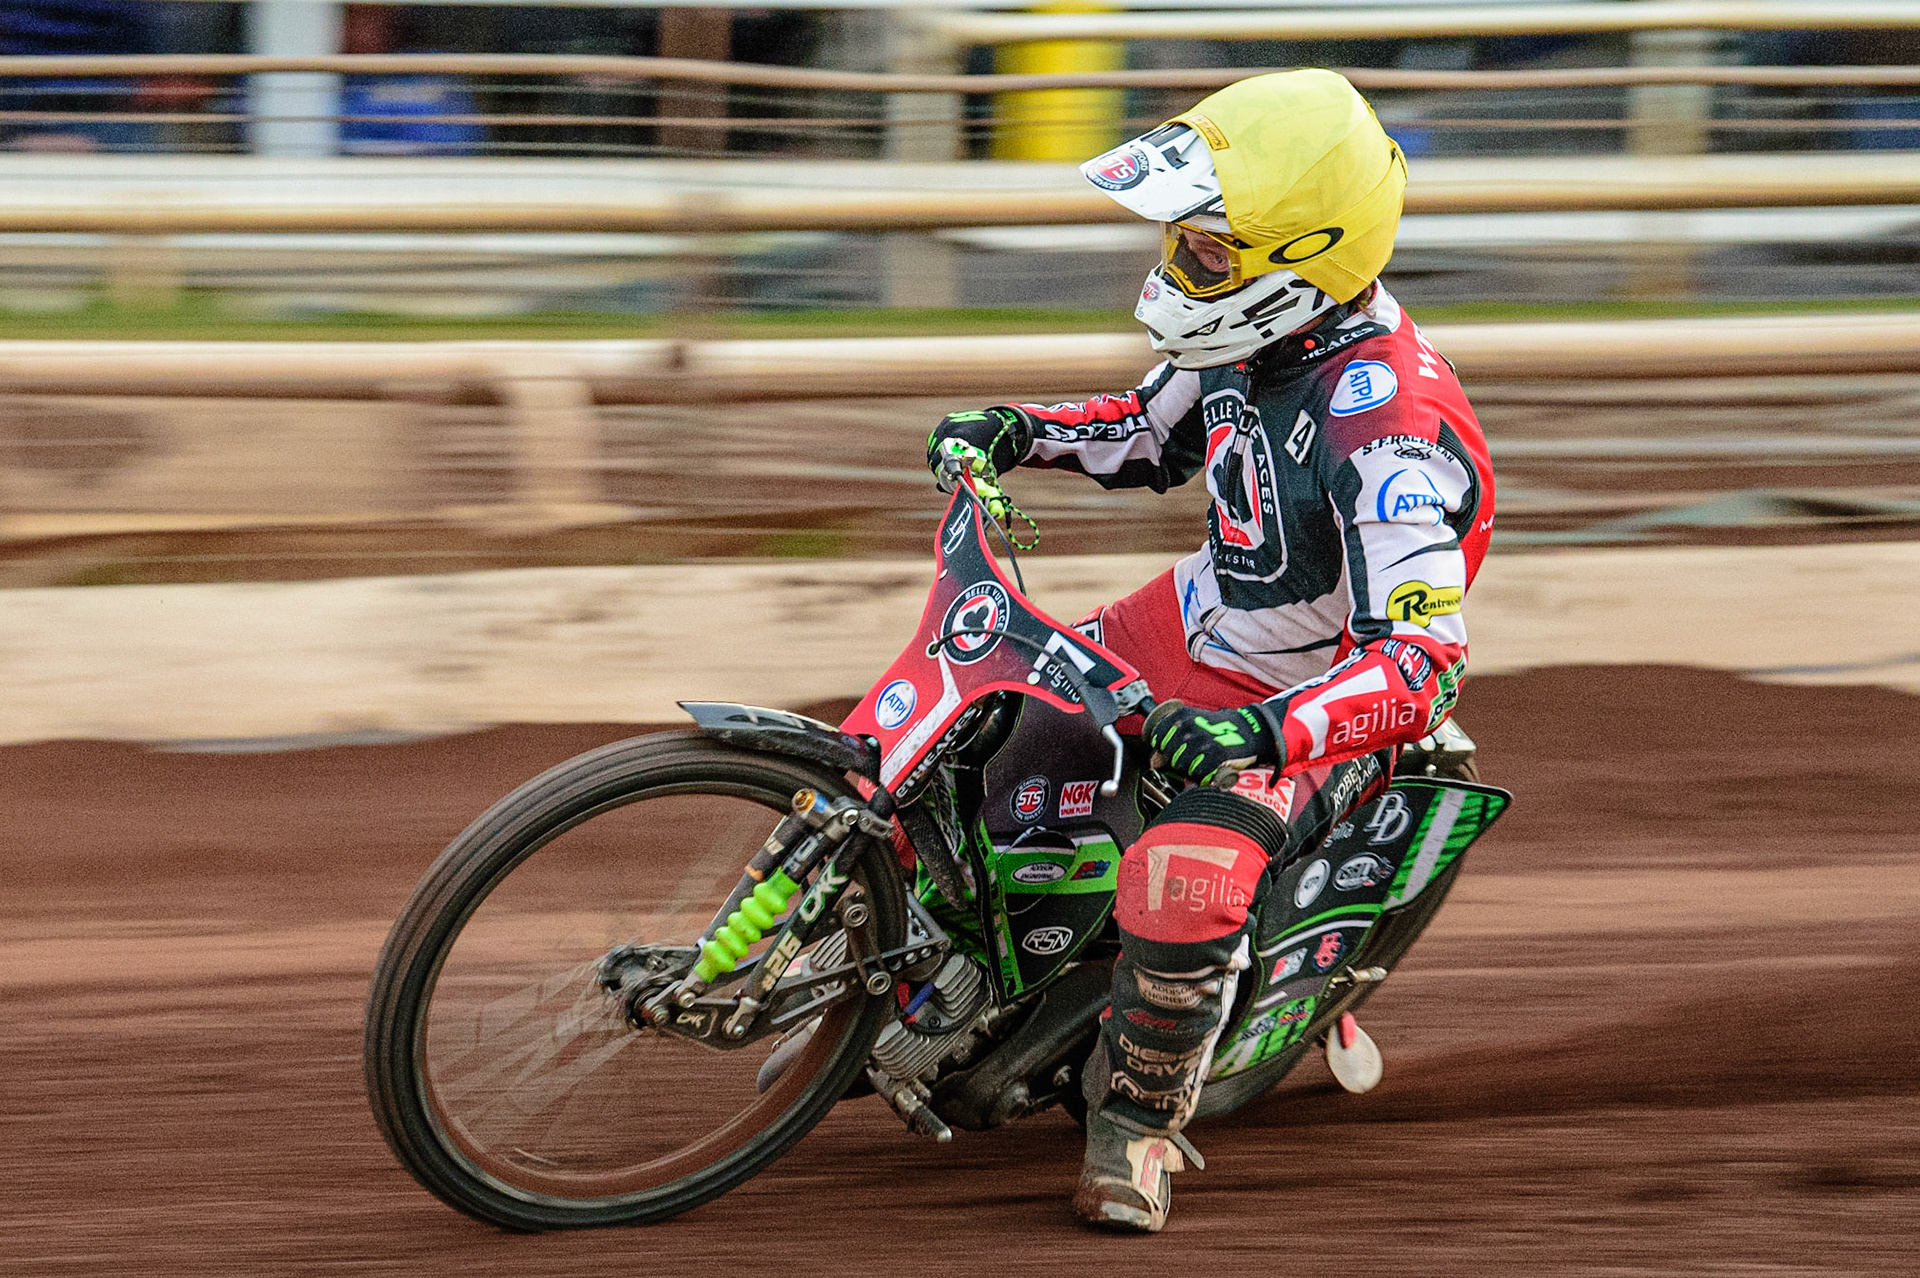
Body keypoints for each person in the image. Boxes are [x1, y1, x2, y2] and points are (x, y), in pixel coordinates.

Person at [927, 70, 1495, 1233]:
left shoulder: (1390, 437)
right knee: (978, 719)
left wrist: (1261, 731)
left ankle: (1134, 1125)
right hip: (1199, 618)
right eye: (1186, 244)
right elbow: (1144, 437)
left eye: (1208, 252)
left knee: (1186, 874)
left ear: (1303, 256)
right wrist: (1018, 429)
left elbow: (1424, 664)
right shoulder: (1258, 327)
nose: (1184, 269)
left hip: (1316, 695)